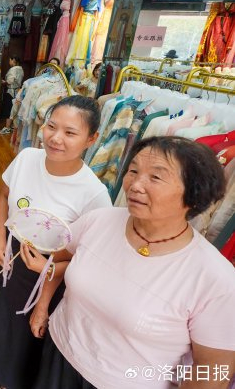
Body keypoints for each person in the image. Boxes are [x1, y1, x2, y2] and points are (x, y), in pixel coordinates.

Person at [29, 136, 235, 389]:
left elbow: (213, 372)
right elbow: (60, 258)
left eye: (155, 177)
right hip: (59, 354)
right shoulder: (97, 221)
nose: (135, 185)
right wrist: (42, 307)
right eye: (133, 170)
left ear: (194, 195)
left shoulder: (215, 279)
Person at [0, 95, 112, 389]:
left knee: (29, 328)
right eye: (51, 126)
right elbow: (3, 195)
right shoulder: (26, 158)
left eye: (70, 132)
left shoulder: (94, 194)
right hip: (10, 251)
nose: (56, 138)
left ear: (91, 139)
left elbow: (90, 257)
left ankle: (12, 379)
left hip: (49, 271)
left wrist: (49, 269)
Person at [0, 56, 24, 135]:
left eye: (10, 60)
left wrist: (4, 82)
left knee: (8, 109)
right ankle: (12, 126)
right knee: (14, 109)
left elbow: (10, 81)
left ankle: (7, 127)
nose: (9, 62)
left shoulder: (13, 69)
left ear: (13, 60)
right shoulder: (21, 69)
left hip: (10, 91)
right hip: (17, 91)